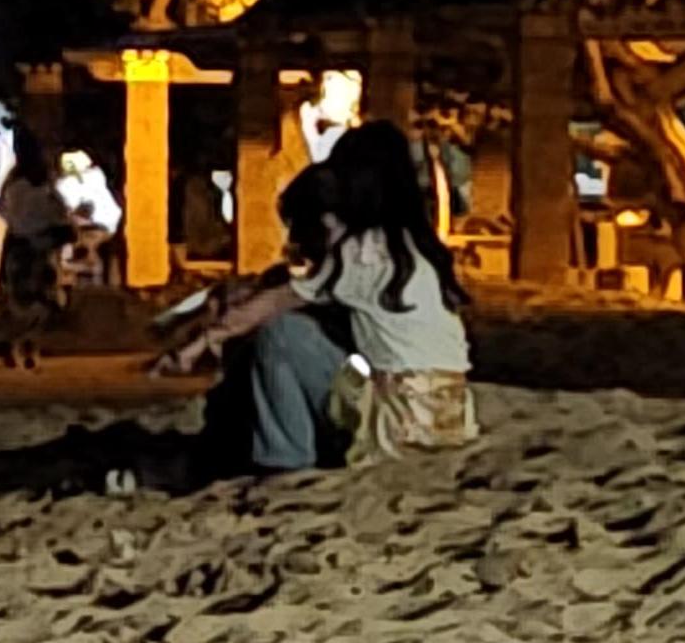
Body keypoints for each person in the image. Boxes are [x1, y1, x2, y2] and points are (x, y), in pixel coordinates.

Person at [195, 123, 475, 472]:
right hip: (448, 417)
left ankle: (284, 461)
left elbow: (266, 308)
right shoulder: (416, 247)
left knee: (282, 335)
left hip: (397, 422)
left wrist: (197, 343)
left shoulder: (360, 252)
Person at [0, 128, 71, 368]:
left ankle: (17, 344)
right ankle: (30, 347)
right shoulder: (45, 182)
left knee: (21, 302)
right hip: (42, 245)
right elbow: (60, 211)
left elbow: (3, 210)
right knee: (44, 301)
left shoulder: (13, 182)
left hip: (19, 244)